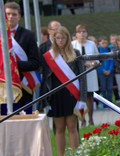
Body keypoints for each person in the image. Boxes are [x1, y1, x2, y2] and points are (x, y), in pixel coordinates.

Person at [41, 26, 87, 156]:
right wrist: (45, 100)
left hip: (72, 95)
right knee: (59, 128)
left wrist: (82, 98)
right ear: (53, 39)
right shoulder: (49, 56)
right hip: (56, 96)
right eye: (58, 38)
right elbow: (45, 79)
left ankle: (75, 154)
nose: (60, 40)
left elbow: (82, 78)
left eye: (63, 37)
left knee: (72, 127)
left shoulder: (76, 53)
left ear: (67, 38)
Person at [5, 2, 40, 108]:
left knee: (26, 118)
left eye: (14, 14)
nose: (11, 17)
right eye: (8, 14)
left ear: (19, 16)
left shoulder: (28, 35)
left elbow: (35, 63)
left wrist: (13, 64)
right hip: (3, 86)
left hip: (24, 85)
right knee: (5, 119)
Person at [72, 24, 99, 126]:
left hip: (90, 73)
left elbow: (97, 59)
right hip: (77, 75)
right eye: (79, 32)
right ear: (76, 34)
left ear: (87, 33)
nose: (82, 34)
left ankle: (91, 119)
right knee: (80, 97)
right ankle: (82, 120)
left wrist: (91, 63)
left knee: (89, 97)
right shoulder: (72, 44)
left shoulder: (91, 44)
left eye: (84, 31)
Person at [97, 36, 114, 103]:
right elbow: (98, 62)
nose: (104, 44)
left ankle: (110, 101)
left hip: (109, 72)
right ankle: (104, 103)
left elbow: (111, 61)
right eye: (103, 43)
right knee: (103, 88)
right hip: (101, 72)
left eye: (106, 43)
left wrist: (109, 70)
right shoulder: (98, 50)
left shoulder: (109, 50)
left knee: (109, 88)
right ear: (99, 43)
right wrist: (103, 70)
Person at [108, 33, 120, 105]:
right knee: (113, 83)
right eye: (112, 39)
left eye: (115, 39)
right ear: (110, 40)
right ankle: (116, 97)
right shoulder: (109, 48)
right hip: (111, 67)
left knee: (118, 83)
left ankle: (119, 97)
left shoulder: (119, 47)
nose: (114, 41)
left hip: (118, 67)